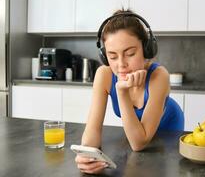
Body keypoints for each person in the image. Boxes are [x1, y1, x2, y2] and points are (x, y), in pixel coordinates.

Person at [75, 9, 184, 174]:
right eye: (112, 56)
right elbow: (92, 130)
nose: (121, 64)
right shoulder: (104, 74)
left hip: (167, 137)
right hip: (135, 133)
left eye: (130, 53)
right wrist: (86, 154)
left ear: (146, 50)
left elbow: (138, 144)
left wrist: (122, 92)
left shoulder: (159, 76)